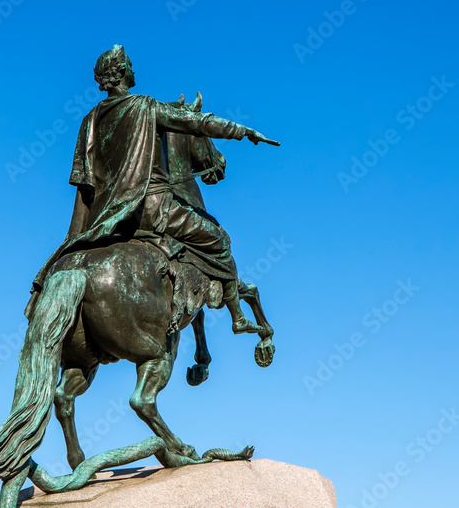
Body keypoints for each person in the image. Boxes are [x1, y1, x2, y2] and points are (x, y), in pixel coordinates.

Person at [25, 44, 279, 334]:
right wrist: (243, 131)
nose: (135, 70)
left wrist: (77, 237)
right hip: (154, 209)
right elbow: (197, 122)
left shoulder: (89, 121)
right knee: (219, 239)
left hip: (110, 219)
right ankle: (237, 317)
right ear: (120, 73)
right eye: (130, 65)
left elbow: (85, 184)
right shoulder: (144, 106)